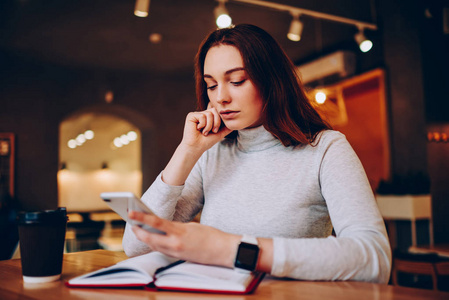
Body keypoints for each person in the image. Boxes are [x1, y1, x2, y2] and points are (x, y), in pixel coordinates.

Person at [123, 24, 391, 283]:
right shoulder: (211, 154)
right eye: (211, 85)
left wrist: (235, 250)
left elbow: (375, 259)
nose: (221, 98)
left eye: (237, 81)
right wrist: (187, 151)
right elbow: (137, 246)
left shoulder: (325, 149)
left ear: (272, 81)